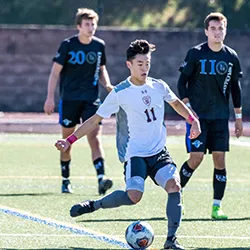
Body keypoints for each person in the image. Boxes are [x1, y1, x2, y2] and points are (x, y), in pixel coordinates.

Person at [55, 39, 201, 249]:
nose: (145, 68)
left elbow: (176, 103)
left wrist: (192, 120)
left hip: (159, 152)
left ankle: (171, 240)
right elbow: (94, 120)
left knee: (174, 186)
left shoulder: (158, 85)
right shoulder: (120, 92)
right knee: (133, 196)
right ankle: (94, 205)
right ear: (129, 65)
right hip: (136, 155)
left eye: (147, 63)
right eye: (140, 64)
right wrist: (69, 140)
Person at [177, 12, 243, 220]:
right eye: (213, 28)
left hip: (220, 117)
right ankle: (175, 198)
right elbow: (181, 83)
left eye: (220, 28)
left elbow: (235, 87)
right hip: (198, 118)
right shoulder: (195, 53)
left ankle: (217, 207)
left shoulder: (231, 57)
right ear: (206, 31)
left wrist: (238, 117)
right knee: (195, 159)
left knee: (219, 160)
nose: (217, 32)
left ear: (225, 30)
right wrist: (188, 109)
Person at [44, 8, 114, 194]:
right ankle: (66, 179)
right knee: (67, 140)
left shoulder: (99, 46)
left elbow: (101, 69)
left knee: (95, 137)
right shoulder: (67, 45)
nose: (91, 28)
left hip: (91, 99)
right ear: (79, 26)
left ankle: (101, 178)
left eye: (93, 24)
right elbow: (54, 73)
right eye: (87, 24)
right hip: (70, 100)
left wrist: (107, 85)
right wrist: (50, 97)